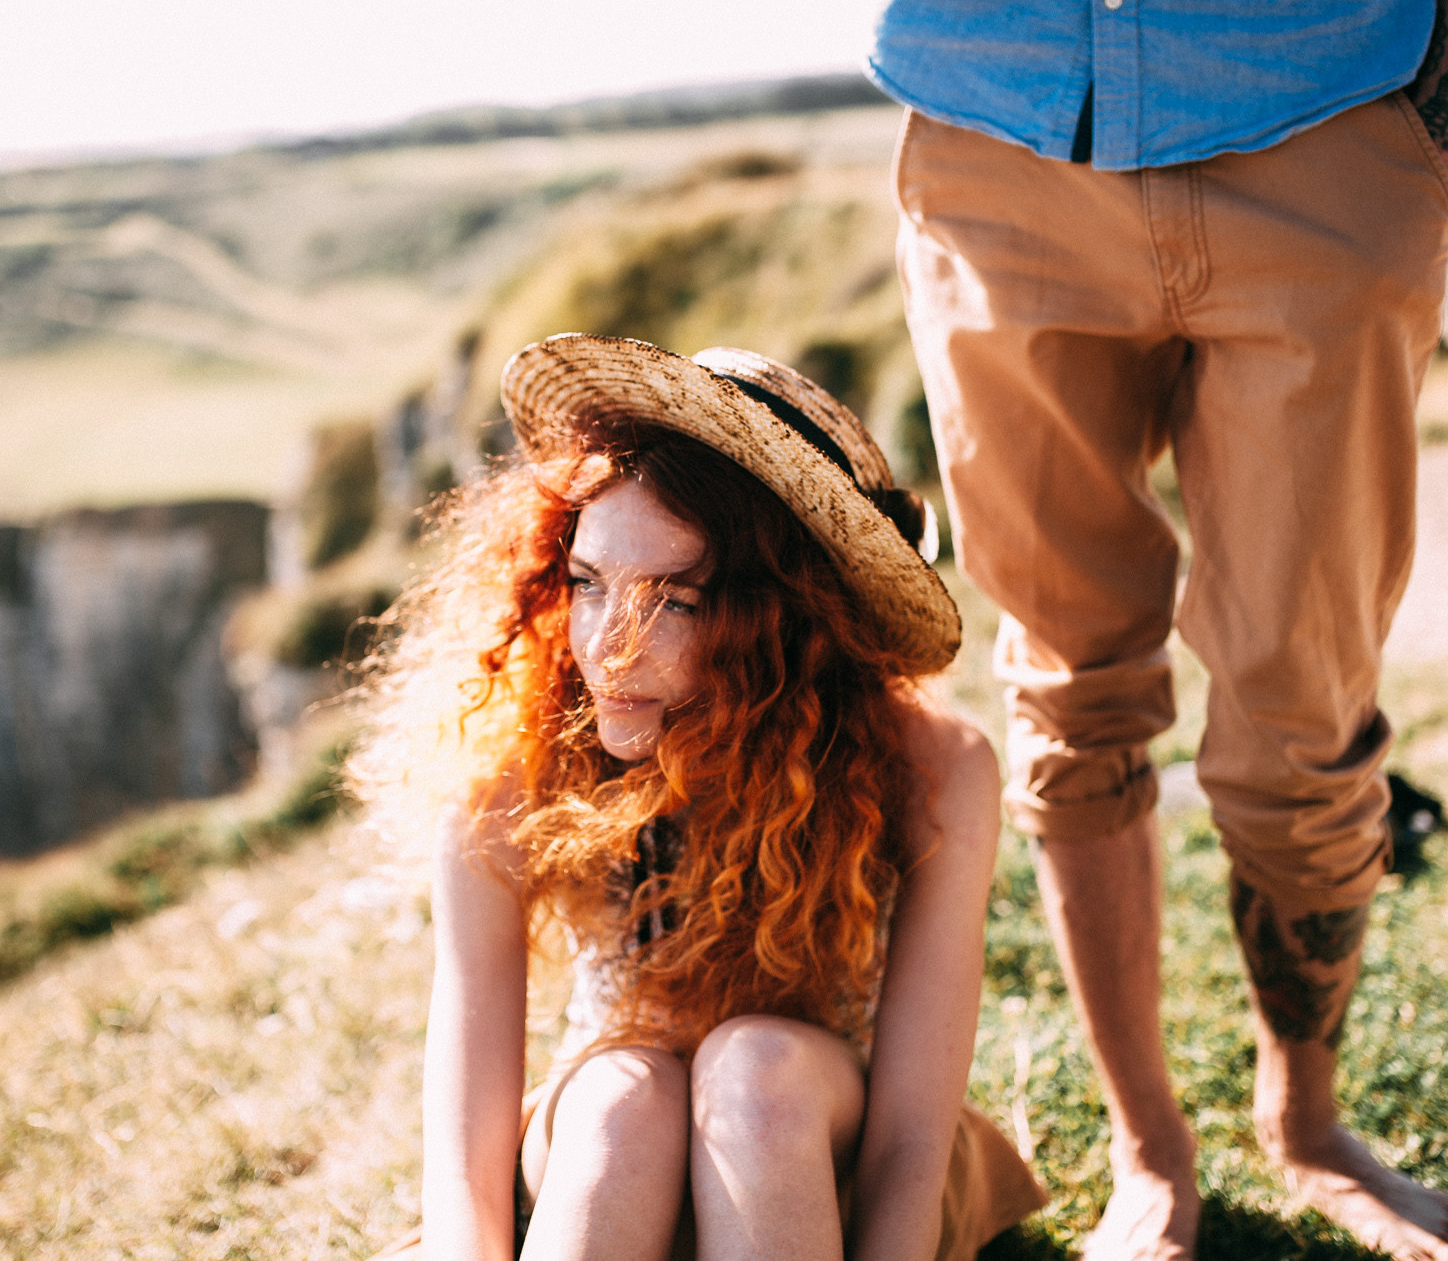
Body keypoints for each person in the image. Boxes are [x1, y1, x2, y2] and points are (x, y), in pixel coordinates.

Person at [870, 0, 1448, 1260]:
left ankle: (1308, 1120)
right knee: (1067, 671)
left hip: (1323, 110)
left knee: (1306, 693)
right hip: (997, 130)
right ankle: (1149, 1150)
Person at [355, 334, 1045, 1261]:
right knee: (620, 1096)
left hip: (822, 1173)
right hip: (606, 1175)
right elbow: (466, 1131)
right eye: (590, 583)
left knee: (755, 1071)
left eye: (676, 600)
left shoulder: (928, 766)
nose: (609, 648)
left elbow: (912, 1135)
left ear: (788, 612)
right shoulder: (512, 766)